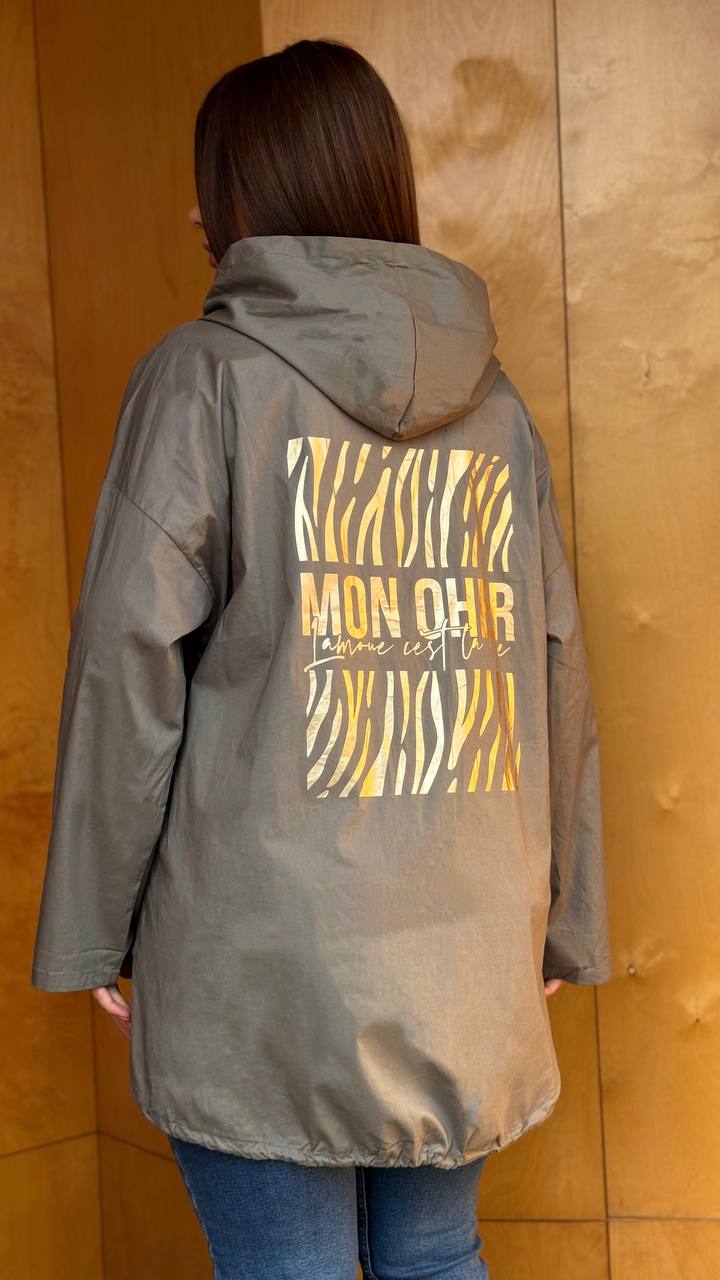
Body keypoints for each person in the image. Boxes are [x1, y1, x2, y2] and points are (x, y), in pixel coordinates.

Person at [30, 37, 612, 1280]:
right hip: (462, 951)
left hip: (259, 956)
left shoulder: (200, 382)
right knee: (435, 1257)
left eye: (212, 179)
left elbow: (128, 671)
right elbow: (552, 672)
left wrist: (96, 929)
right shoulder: (498, 410)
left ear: (255, 189)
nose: (194, 212)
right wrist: (560, 919)